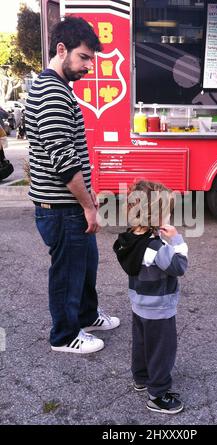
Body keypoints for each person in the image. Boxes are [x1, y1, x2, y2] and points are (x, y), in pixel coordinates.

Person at [25, 16, 120, 354]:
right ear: (61, 49)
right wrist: (88, 206)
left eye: (92, 59)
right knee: (67, 271)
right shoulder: (52, 91)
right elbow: (63, 161)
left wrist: (88, 197)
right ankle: (65, 336)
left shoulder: (57, 87)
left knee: (86, 262)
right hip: (61, 207)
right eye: (84, 57)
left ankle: (86, 314)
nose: (89, 66)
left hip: (69, 204)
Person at [113, 180, 188, 414]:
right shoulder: (156, 247)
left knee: (142, 343)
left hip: (139, 304)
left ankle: (141, 377)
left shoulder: (129, 239)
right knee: (162, 350)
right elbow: (179, 266)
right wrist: (176, 240)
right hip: (159, 308)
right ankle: (158, 394)